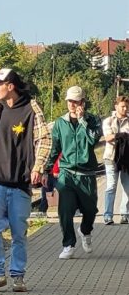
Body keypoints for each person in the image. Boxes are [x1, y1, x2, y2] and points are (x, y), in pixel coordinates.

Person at [0, 68, 51, 293]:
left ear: (10, 86)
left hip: (20, 184)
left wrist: (38, 167)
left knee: (19, 233)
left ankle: (17, 276)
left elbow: (45, 139)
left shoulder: (31, 108)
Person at [45, 86, 102, 259]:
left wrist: (82, 119)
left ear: (83, 102)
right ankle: (68, 244)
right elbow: (55, 149)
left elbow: (93, 139)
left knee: (90, 210)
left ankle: (85, 231)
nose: (72, 104)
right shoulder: (60, 123)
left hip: (87, 174)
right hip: (67, 173)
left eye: (76, 101)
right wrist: (46, 168)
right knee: (65, 210)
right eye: (70, 101)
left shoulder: (93, 120)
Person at [102, 95, 129, 225]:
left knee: (127, 188)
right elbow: (107, 137)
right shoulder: (108, 121)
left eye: (126, 107)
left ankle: (125, 214)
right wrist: (121, 135)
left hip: (126, 160)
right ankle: (108, 215)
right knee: (111, 187)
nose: (125, 109)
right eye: (123, 106)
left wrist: (119, 137)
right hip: (111, 158)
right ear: (116, 106)